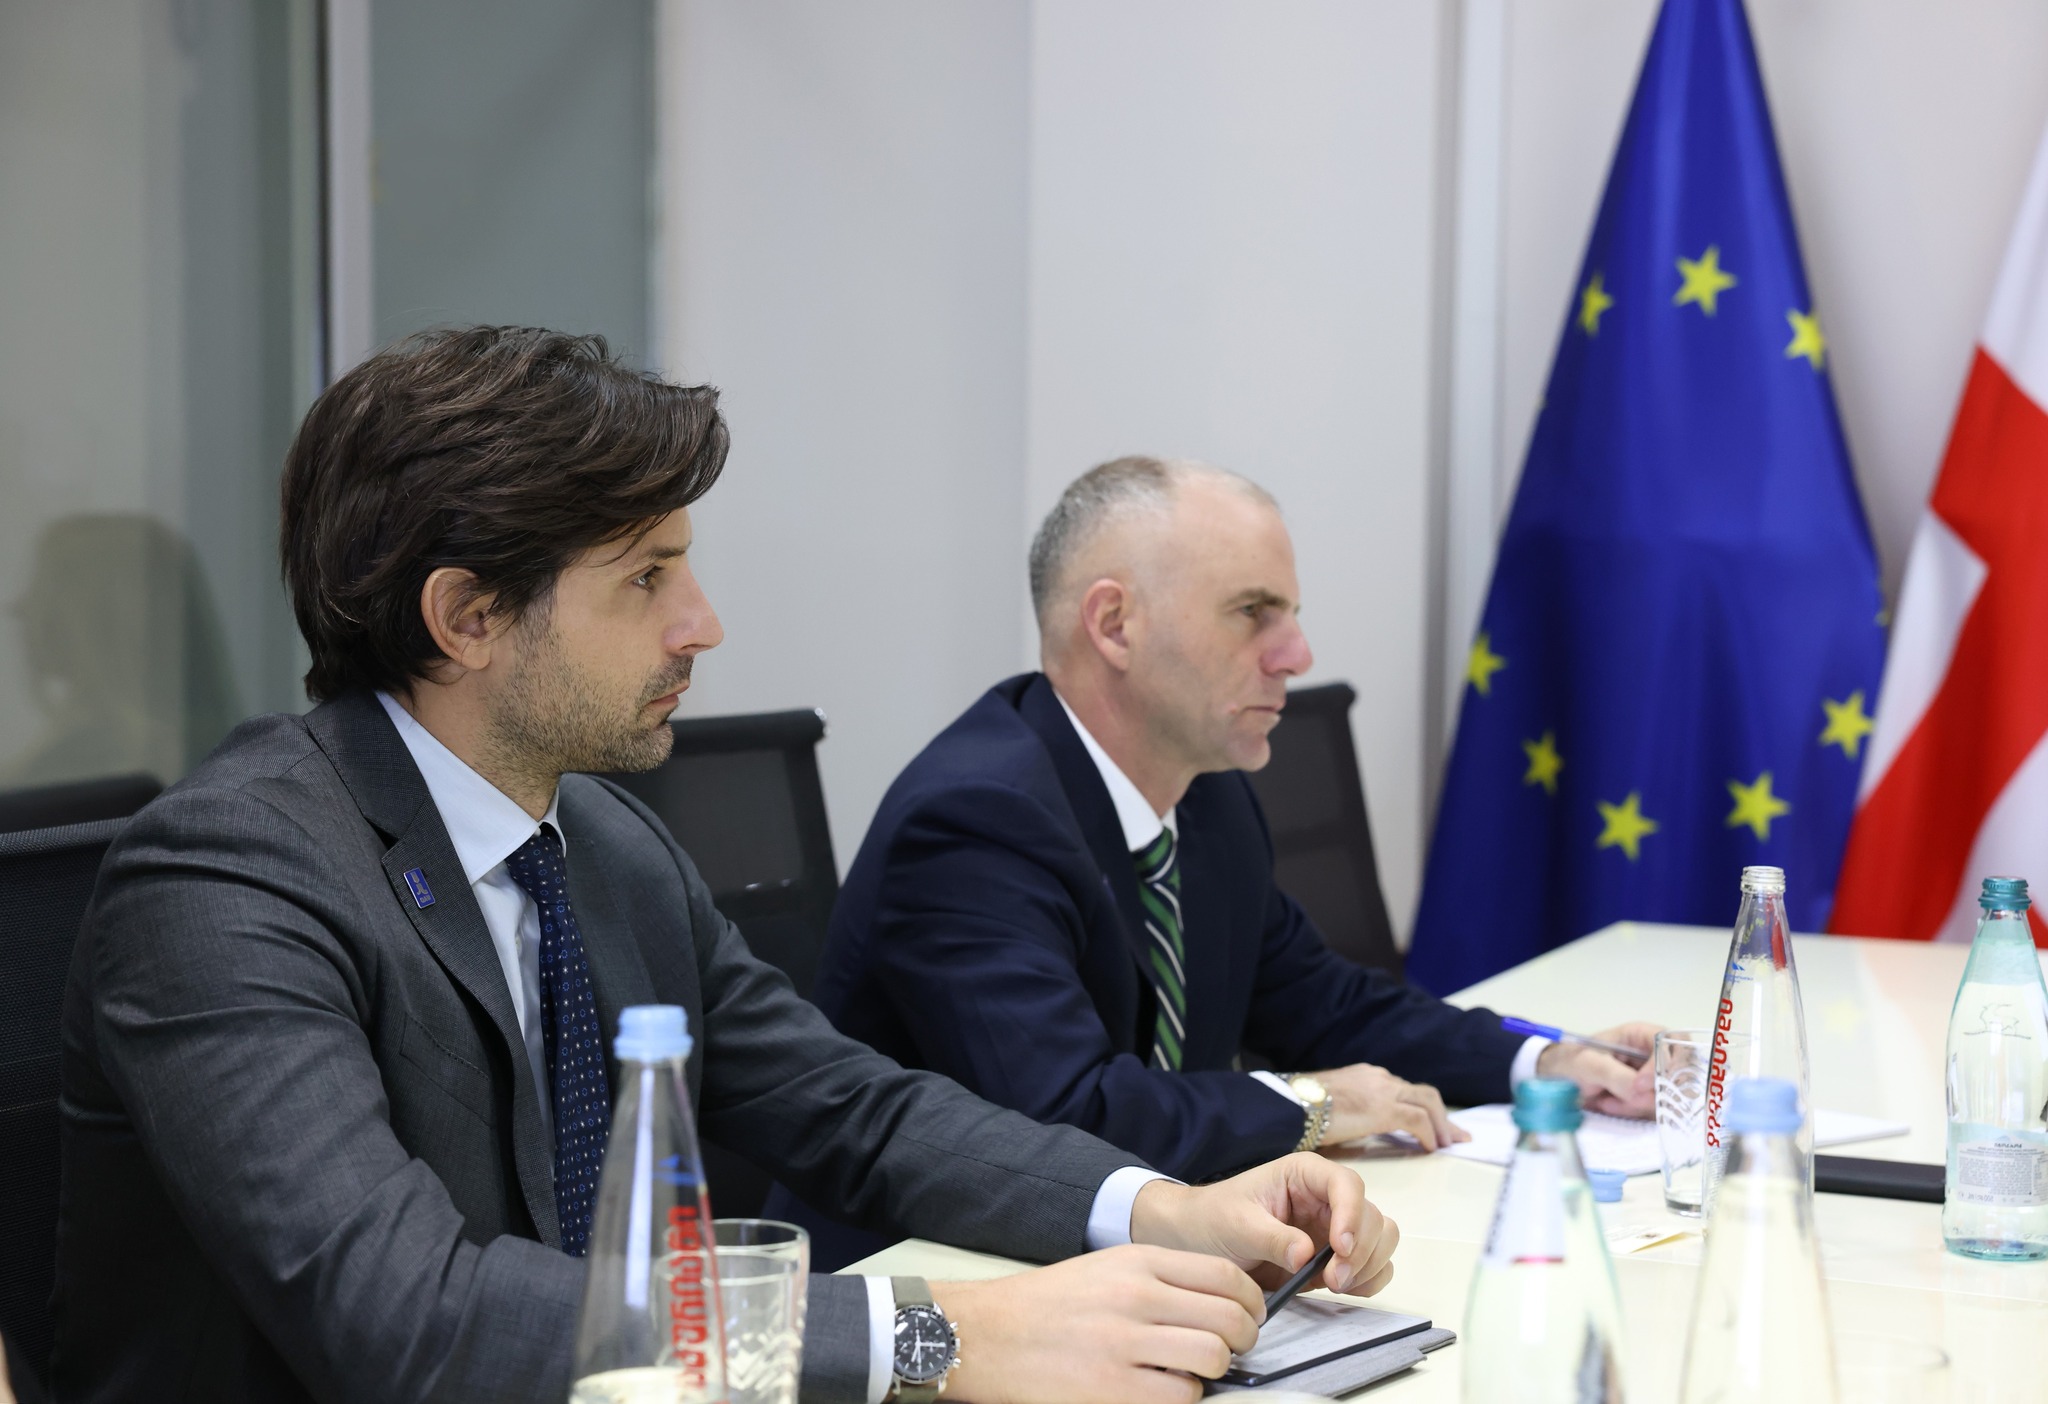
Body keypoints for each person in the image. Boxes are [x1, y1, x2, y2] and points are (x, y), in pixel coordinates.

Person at [52, 337, 1399, 1404]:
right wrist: (935, 1336)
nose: (702, 625)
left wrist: (1157, 1210)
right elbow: (405, 1314)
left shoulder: (601, 843)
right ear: (465, 617)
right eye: (646, 580)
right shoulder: (229, 882)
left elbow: (856, 1110)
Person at [804, 457, 1657, 1200]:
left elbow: (1327, 1006)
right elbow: (1063, 1114)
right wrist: (1313, 1104)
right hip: (926, 1279)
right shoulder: (975, 822)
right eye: (1253, 612)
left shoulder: (1207, 796)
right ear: (1115, 625)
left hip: (1134, 1249)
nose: (1297, 655)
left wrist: (1544, 1062)